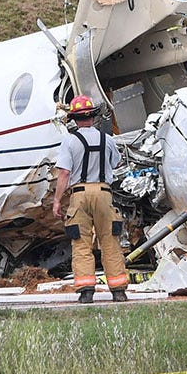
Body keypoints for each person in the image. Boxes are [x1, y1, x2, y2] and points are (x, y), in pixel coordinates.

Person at [53, 96, 128, 302]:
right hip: (104, 194)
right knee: (110, 241)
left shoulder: (69, 141)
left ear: (74, 119)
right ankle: (118, 290)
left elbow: (64, 174)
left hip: (79, 195)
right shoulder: (108, 139)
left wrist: (58, 200)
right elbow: (115, 163)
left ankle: (86, 291)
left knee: (81, 242)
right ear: (94, 117)